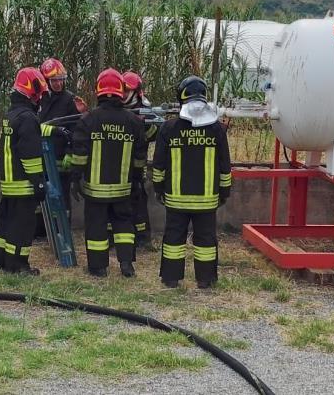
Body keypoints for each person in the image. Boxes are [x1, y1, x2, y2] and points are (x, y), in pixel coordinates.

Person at [152, 76, 232, 289]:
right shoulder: (217, 130)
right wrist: (225, 192)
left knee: (173, 239)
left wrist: (158, 188)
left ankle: (171, 278)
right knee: (206, 240)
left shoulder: (169, 128)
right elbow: (225, 165)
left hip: (176, 199)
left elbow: (158, 164)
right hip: (206, 200)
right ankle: (205, 279)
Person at [70, 68, 147, 278]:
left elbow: (79, 154)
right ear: (121, 91)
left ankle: (98, 267)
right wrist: (138, 180)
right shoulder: (133, 122)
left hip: (95, 190)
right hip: (124, 188)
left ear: (99, 90)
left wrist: (75, 178)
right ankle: (126, 265)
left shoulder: (88, 120)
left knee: (96, 226)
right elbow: (140, 156)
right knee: (124, 224)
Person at [0, 67, 49, 275]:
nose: (40, 99)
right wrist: (38, 182)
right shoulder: (28, 118)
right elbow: (30, 155)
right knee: (22, 227)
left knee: (5, 225)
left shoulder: (12, 115)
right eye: (39, 94)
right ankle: (18, 265)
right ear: (33, 91)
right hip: (23, 184)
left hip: (9, 183)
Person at [34, 57, 80, 239]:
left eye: (61, 80)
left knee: (61, 197)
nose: (59, 84)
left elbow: (75, 129)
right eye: (54, 80)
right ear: (46, 81)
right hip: (41, 156)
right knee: (40, 197)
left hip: (61, 157)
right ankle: (39, 231)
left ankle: (62, 231)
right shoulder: (39, 99)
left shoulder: (69, 100)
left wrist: (70, 152)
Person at [122, 71, 158, 251]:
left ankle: (143, 238)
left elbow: (153, 135)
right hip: (118, 160)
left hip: (137, 160)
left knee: (138, 197)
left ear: (136, 92)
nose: (123, 94)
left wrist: (145, 126)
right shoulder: (116, 105)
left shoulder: (145, 109)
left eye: (126, 91)